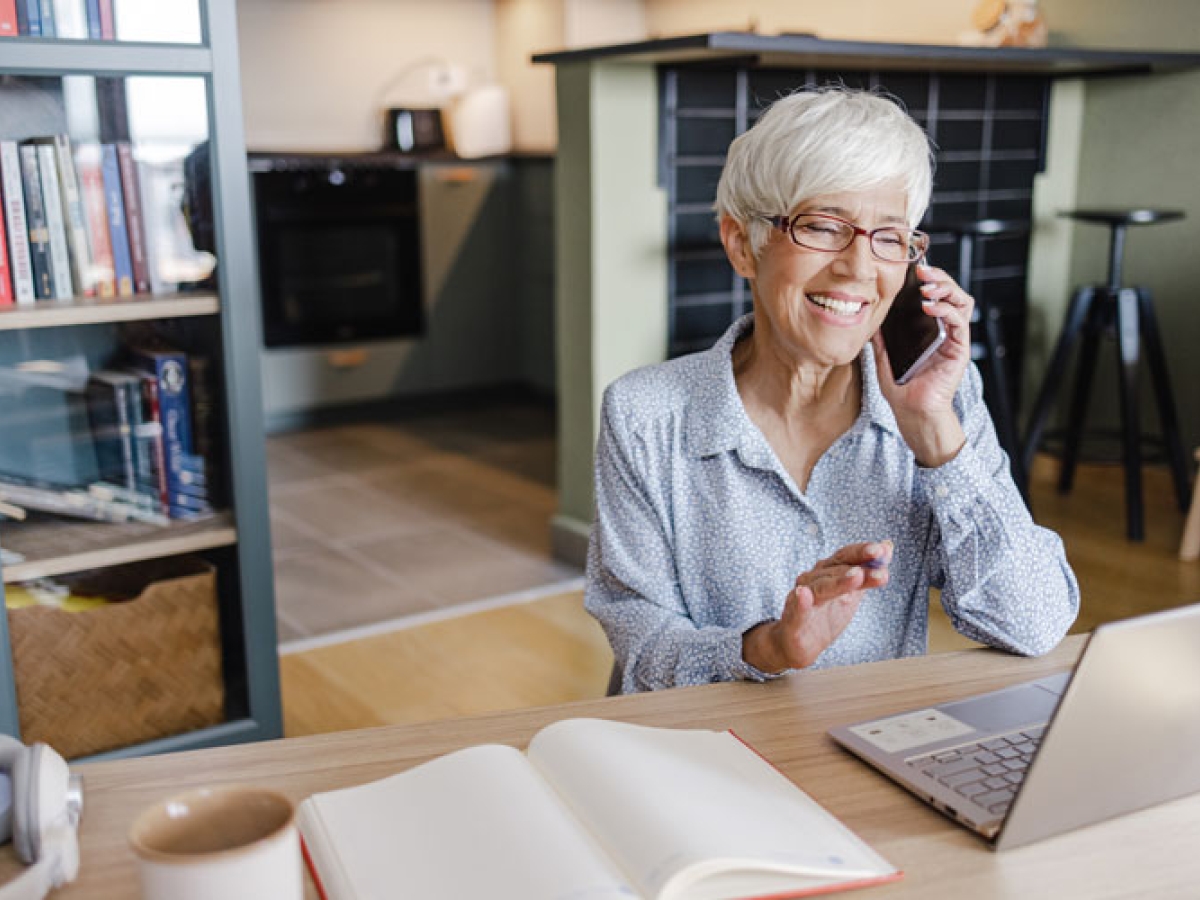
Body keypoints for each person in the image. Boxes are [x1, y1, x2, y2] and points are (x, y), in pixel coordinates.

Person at [585, 87, 1079, 694]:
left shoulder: (937, 403)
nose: (858, 267)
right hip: (699, 749)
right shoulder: (645, 415)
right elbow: (642, 646)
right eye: (823, 226)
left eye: (890, 236)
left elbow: (1035, 623)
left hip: (871, 747)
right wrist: (767, 648)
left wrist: (937, 437)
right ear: (743, 243)